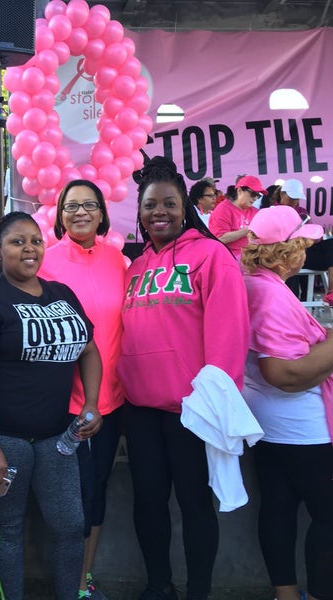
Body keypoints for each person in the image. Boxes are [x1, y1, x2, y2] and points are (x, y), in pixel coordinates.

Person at [118, 157, 250, 600]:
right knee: (148, 506)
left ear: (185, 208)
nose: (160, 212)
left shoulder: (212, 255)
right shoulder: (135, 267)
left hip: (191, 412)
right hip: (139, 411)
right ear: (139, 212)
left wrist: (215, 405)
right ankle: (159, 586)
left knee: (195, 507)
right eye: (151, 205)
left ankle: (199, 592)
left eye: (169, 204)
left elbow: (229, 335)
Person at [0, 211, 103, 600]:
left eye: (35, 240)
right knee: (12, 528)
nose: (29, 248)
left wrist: (91, 402)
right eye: (17, 241)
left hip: (57, 436)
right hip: (5, 437)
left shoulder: (62, 294)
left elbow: (89, 350)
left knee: (70, 524)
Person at [37, 180, 125, 600]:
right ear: (59, 215)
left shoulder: (119, 261)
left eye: (90, 204)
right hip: (64, 403)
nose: (81, 212)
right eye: (71, 206)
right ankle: (70, 585)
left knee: (97, 493)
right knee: (73, 500)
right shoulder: (45, 262)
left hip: (115, 399)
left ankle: (82, 581)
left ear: (103, 213)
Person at [241, 205, 333, 600]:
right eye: (304, 242)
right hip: (300, 426)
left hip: (269, 422)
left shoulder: (255, 283)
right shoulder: (267, 293)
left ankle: (287, 595)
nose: (309, 248)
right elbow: (285, 373)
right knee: (328, 516)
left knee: (278, 507)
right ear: (288, 249)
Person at [277, 178, 333, 305]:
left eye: (297, 198)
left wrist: (313, 236)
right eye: (292, 197)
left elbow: (313, 235)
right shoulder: (273, 210)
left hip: (304, 249)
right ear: (282, 194)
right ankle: (292, 306)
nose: (295, 201)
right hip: (284, 253)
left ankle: (331, 292)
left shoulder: (302, 211)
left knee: (331, 244)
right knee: (289, 256)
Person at [209, 175, 267, 260]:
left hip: (251, 259)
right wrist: (248, 230)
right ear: (239, 191)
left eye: (258, 195)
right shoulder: (223, 209)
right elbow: (220, 239)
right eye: (253, 194)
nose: (255, 198)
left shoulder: (255, 212)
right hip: (229, 259)